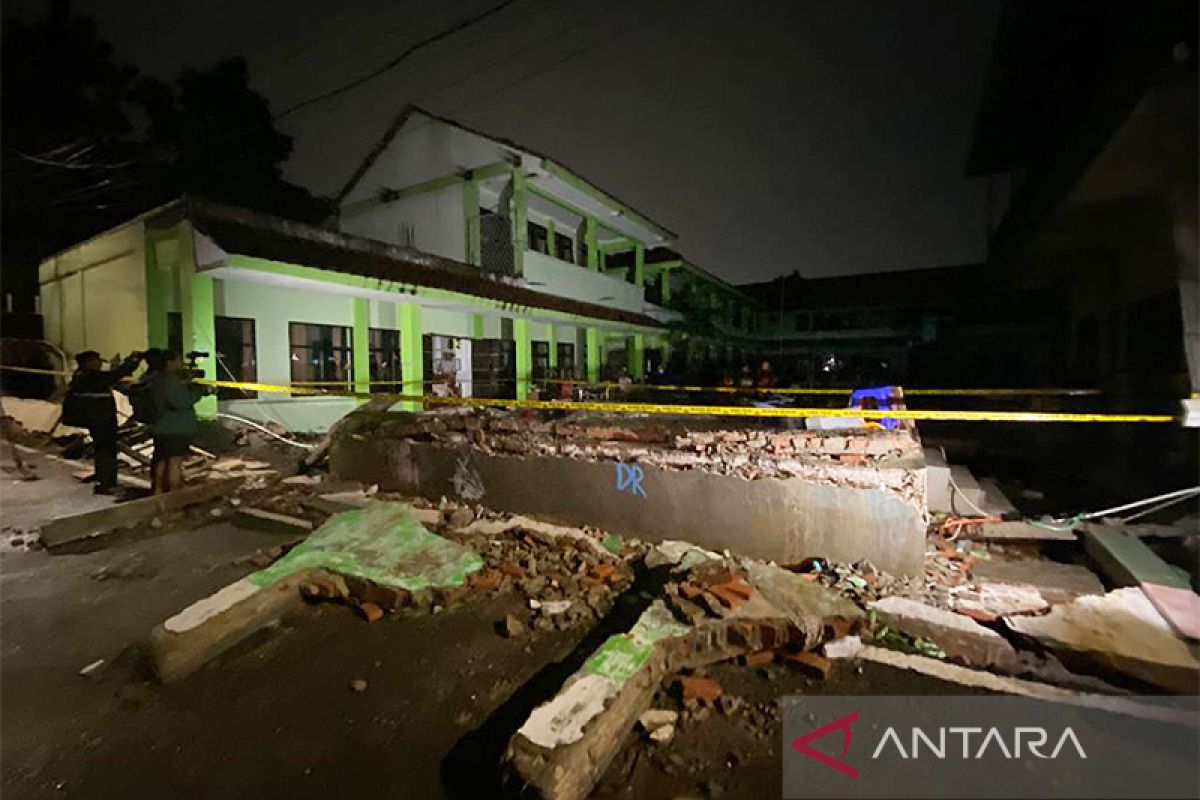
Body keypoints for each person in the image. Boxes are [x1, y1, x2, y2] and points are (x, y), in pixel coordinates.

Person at [63, 350, 142, 494]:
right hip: (101, 420)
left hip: (95, 419)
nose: (100, 363)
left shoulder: (81, 376)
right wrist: (133, 360)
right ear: (88, 362)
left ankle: (102, 478)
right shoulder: (92, 377)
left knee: (101, 450)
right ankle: (107, 484)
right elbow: (117, 374)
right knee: (107, 451)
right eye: (96, 360)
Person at [146, 349, 202, 493]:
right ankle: (173, 495)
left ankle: (157, 492)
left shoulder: (157, 379)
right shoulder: (170, 380)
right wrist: (197, 392)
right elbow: (180, 401)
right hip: (175, 427)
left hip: (160, 426)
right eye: (179, 360)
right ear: (170, 362)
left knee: (161, 460)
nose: (182, 364)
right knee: (174, 462)